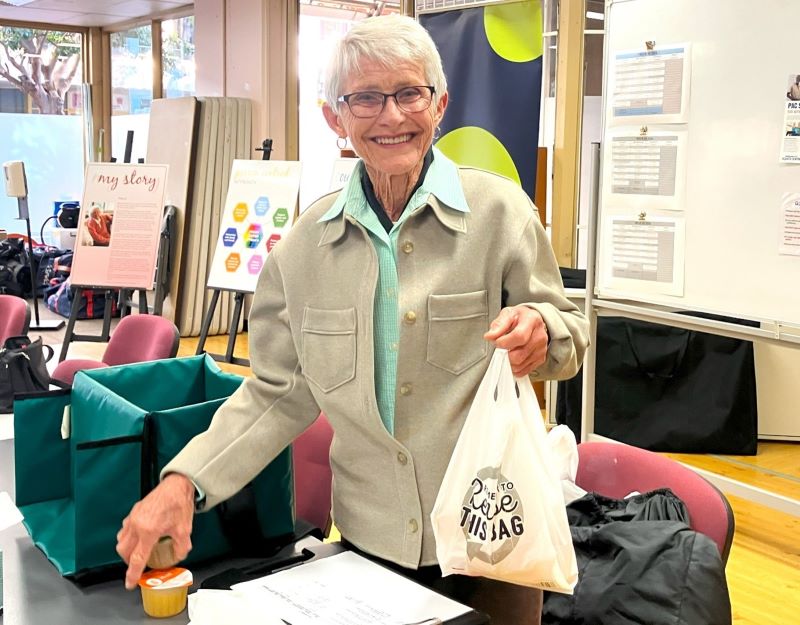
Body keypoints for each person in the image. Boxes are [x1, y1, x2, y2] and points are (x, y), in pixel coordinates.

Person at [116, 15, 589, 624]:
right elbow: (275, 395)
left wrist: (542, 330)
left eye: (409, 93)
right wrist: (182, 483)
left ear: (439, 104)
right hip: (370, 551)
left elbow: (569, 335)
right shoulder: (302, 252)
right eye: (365, 97)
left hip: (492, 543)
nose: (390, 116)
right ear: (334, 118)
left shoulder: (501, 213)